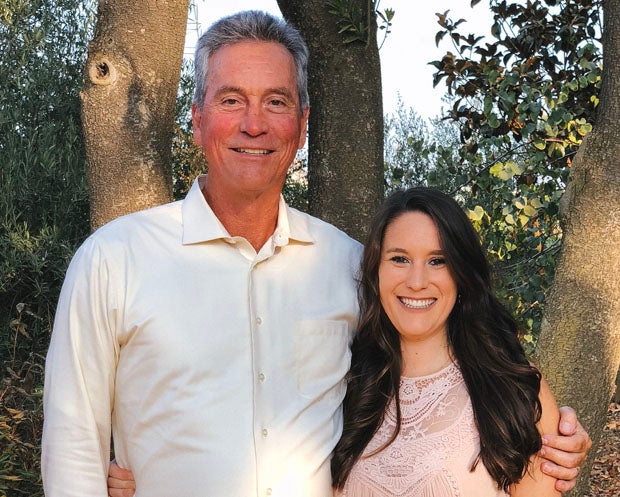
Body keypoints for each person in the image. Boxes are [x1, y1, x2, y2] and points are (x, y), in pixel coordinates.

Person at [43, 11, 589, 497]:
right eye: (231, 99)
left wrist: (545, 428)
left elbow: (440, 352)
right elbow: (72, 446)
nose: (253, 123)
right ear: (197, 120)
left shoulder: (348, 265)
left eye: (275, 102)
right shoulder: (113, 261)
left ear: (301, 126)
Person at [330, 187, 569, 496]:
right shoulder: (344, 381)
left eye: (437, 261)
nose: (416, 282)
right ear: (376, 272)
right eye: (400, 259)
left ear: (461, 273)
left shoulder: (512, 388)